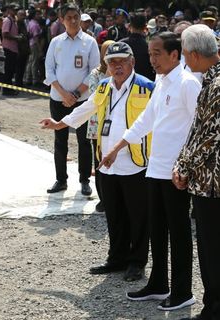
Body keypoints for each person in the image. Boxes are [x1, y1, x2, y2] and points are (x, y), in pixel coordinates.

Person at [100, 32, 200, 310]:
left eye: (157, 53)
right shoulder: (162, 81)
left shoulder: (188, 83)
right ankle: (158, 284)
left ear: (174, 55)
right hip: (155, 168)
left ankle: (182, 292)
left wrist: (186, 165)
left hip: (176, 172)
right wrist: (117, 147)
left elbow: (198, 127)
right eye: (150, 53)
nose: (151, 59)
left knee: (179, 233)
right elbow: (147, 119)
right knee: (157, 230)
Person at [40, 42, 153, 282]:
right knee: (114, 214)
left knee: (138, 216)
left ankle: (137, 262)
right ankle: (117, 258)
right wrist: (60, 123)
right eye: (112, 62)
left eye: (122, 61)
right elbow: (87, 109)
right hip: (107, 163)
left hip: (135, 162)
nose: (117, 66)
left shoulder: (147, 88)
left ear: (132, 61)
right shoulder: (103, 87)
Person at [174, 25, 220, 320]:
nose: (185, 62)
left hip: (214, 180)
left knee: (216, 248)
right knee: (207, 246)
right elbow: (198, 129)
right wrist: (183, 164)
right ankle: (213, 304)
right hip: (206, 180)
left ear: (193, 53)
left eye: (186, 56)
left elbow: (208, 137)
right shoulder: (213, 80)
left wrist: (184, 166)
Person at [43, 3, 99, 196]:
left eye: (76, 16)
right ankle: (61, 179)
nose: (73, 21)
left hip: (82, 100)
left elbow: (94, 72)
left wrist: (75, 94)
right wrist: (63, 93)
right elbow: (49, 70)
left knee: (84, 141)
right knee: (60, 140)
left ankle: (84, 180)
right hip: (58, 98)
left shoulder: (89, 42)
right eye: (69, 17)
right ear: (62, 20)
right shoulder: (56, 42)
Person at [86, 40, 114, 213]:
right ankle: (103, 198)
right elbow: (95, 96)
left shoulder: (123, 73)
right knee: (99, 162)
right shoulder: (96, 73)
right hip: (97, 124)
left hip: (116, 125)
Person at [121, 14, 155, 80]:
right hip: (145, 84)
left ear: (129, 26)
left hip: (124, 82)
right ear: (145, 27)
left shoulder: (122, 44)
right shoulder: (149, 46)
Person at [1, 3, 20, 96]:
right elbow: (5, 34)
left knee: (11, 70)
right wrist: (17, 38)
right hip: (8, 49)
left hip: (13, 49)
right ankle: (6, 90)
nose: (15, 11)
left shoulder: (14, 20)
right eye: (14, 9)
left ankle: (9, 88)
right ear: (9, 10)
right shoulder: (8, 20)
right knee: (8, 71)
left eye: (16, 10)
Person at [24, 9, 42, 86]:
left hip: (30, 44)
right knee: (34, 62)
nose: (39, 16)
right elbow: (36, 37)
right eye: (38, 14)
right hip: (34, 44)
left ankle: (28, 78)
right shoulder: (34, 25)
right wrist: (39, 48)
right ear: (34, 15)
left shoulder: (30, 23)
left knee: (30, 61)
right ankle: (35, 79)